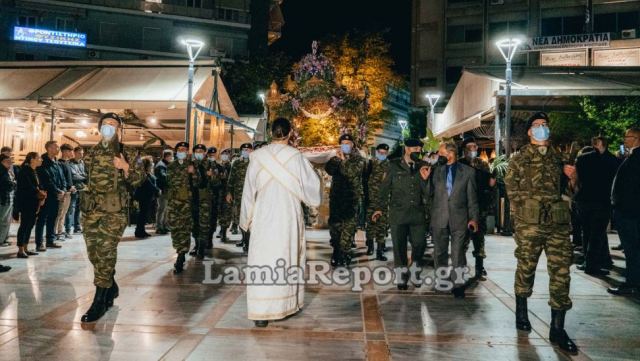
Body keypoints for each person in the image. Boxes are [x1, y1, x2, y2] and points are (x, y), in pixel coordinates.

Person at [505, 112, 578, 354]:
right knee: (526, 268)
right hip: (530, 224)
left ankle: (557, 328)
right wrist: (520, 220)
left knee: (561, 274)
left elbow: (574, 192)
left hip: (557, 224)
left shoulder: (560, 159)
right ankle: (522, 312)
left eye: (544, 125)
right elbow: (511, 192)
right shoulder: (518, 159)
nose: (541, 128)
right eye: (536, 125)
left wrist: (573, 178)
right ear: (528, 132)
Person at [240, 118, 322, 328]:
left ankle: (260, 312)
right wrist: (313, 203)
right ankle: (284, 305)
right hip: (287, 215)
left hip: (263, 216)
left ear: (269, 132)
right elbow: (313, 188)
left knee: (261, 259)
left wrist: (245, 220)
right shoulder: (296, 156)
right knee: (286, 258)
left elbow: (248, 192)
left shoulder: (257, 157)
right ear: (290, 132)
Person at [80, 113, 146, 323]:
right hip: (92, 210)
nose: (109, 128)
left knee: (106, 251)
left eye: (114, 125)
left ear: (119, 130)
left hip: (114, 211)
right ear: (99, 128)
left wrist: (125, 167)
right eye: (106, 124)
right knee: (94, 254)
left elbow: (139, 180)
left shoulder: (128, 151)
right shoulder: (90, 153)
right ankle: (111, 285)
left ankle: (99, 300)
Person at [373, 139, 431, 290]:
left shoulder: (423, 166)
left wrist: (425, 180)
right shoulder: (393, 165)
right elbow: (384, 189)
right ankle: (402, 277)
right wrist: (379, 208)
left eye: (419, 148)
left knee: (419, 244)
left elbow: (429, 192)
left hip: (418, 214)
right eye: (414, 148)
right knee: (399, 247)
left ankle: (415, 271)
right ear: (406, 149)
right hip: (398, 214)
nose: (417, 150)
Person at [429, 142, 479, 298]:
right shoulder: (435, 171)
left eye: (441, 153)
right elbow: (428, 194)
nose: (439, 156)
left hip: (460, 218)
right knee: (440, 252)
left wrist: (474, 219)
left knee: (458, 253)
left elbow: (473, 199)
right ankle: (442, 280)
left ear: (450, 153)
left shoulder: (468, 172)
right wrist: (424, 179)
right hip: (439, 217)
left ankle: (458, 284)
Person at [574, 137, 619, 275]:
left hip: (584, 199)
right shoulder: (614, 161)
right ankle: (592, 265)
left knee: (587, 232)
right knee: (597, 234)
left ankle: (589, 261)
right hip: (602, 201)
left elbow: (579, 178)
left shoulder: (582, 159)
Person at [325, 134, 367, 267]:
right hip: (337, 199)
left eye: (348, 143)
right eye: (343, 143)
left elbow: (350, 172)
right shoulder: (336, 158)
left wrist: (342, 161)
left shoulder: (359, 159)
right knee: (335, 228)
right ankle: (337, 251)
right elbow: (329, 169)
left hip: (351, 199)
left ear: (353, 144)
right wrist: (337, 159)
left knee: (348, 228)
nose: (345, 145)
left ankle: (345, 252)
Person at [607, 127, 640, 296]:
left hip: (629, 212)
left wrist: (619, 205)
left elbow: (630, 186)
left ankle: (633, 283)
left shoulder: (636, 158)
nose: (624, 139)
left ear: (635, 138)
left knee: (632, 249)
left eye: (627, 136)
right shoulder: (632, 157)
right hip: (630, 211)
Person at [459, 136, 495, 278]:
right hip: (463, 208)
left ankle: (480, 268)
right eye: (470, 147)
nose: (473, 149)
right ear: (464, 149)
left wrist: (492, 184)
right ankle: (460, 268)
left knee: (479, 240)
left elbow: (489, 185)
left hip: (480, 208)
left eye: (475, 147)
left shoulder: (482, 164)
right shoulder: (459, 165)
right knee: (462, 241)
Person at [167, 142, 195, 273]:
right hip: (173, 202)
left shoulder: (192, 165)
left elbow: (199, 182)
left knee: (185, 227)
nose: (181, 151)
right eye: (179, 149)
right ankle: (178, 248)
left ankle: (181, 254)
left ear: (187, 151)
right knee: (175, 228)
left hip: (186, 203)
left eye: (184, 149)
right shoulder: (171, 166)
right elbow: (167, 183)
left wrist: (193, 173)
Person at [35, 141, 65, 251]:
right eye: (56, 147)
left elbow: (61, 177)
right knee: (42, 219)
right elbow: (46, 180)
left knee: (52, 218)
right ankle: (39, 243)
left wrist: (63, 190)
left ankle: (50, 240)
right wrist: (57, 191)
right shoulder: (42, 161)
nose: (58, 149)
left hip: (57, 195)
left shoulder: (56, 161)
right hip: (47, 195)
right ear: (49, 148)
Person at [15, 152, 45, 258]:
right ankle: (20, 250)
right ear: (32, 159)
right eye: (39, 158)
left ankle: (26, 247)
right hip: (26, 202)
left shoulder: (34, 171)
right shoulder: (24, 171)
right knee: (24, 225)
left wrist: (42, 194)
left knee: (30, 225)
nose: (41, 160)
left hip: (34, 202)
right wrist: (40, 194)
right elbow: (28, 188)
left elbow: (38, 185)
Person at [365, 143, 390, 261]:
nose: (382, 155)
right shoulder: (370, 163)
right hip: (371, 199)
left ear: (387, 153)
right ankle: (370, 246)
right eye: (380, 153)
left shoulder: (389, 165)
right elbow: (364, 180)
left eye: (385, 153)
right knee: (370, 224)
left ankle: (380, 251)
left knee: (382, 225)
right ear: (377, 152)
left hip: (383, 200)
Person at [227, 143, 253, 252]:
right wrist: (229, 193)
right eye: (244, 149)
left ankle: (249, 242)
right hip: (238, 196)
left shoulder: (255, 162)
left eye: (248, 149)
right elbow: (231, 179)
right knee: (239, 218)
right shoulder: (236, 163)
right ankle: (245, 240)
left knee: (250, 219)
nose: (246, 151)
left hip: (252, 196)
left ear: (252, 150)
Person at [190, 144, 215, 259]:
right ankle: (196, 244)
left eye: (201, 151)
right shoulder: (189, 164)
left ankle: (201, 247)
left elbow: (217, 183)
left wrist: (212, 175)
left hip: (205, 199)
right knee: (194, 223)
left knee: (204, 224)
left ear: (205, 152)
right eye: (197, 151)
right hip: (192, 198)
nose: (199, 152)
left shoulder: (210, 164)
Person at [134, 158, 160, 239]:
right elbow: (149, 184)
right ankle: (139, 231)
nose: (152, 165)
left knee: (144, 214)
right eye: (151, 163)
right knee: (142, 214)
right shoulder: (143, 174)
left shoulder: (146, 173)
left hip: (147, 196)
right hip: (143, 196)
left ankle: (141, 230)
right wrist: (157, 190)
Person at [55, 143, 76, 240]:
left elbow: (68, 178)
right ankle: (57, 233)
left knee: (64, 213)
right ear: (64, 151)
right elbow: (61, 179)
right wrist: (68, 187)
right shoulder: (59, 163)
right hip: (63, 192)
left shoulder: (67, 163)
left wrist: (72, 186)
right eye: (70, 151)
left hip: (68, 191)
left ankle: (60, 231)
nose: (72, 153)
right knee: (59, 213)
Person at [205, 146, 225, 249]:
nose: (212, 156)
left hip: (214, 197)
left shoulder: (219, 167)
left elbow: (222, 182)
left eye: (213, 154)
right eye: (210, 154)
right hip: (203, 198)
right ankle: (200, 242)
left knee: (212, 218)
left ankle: (209, 239)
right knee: (202, 220)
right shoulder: (202, 165)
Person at [0, 147, 18, 247]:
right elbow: (7, 184)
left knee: (6, 221)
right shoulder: (2, 170)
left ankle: (4, 239)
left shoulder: (8, 169)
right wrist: (14, 183)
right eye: (9, 159)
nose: (11, 161)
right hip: (4, 198)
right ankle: (1, 240)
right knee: (3, 221)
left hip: (9, 198)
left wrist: (13, 183)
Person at [68, 146, 87, 234]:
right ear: (75, 153)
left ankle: (77, 227)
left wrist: (83, 176)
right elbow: (74, 176)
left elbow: (83, 173)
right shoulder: (70, 163)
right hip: (74, 189)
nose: (81, 155)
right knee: (71, 208)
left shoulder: (82, 163)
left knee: (79, 209)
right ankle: (68, 228)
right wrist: (85, 177)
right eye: (80, 153)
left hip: (82, 189)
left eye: (82, 153)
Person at [154, 149, 173, 235]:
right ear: (166, 156)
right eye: (170, 156)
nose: (171, 158)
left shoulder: (166, 164)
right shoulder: (161, 166)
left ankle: (165, 225)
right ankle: (159, 227)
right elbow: (163, 177)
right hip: (163, 190)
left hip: (166, 190)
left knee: (166, 209)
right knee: (161, 209)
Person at [216, 149, 233, 243]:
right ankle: (220, 229)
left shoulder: (231, 166)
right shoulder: (217, 165)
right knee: (219, 213)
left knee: (226, 213)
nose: (225, 156)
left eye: (227, 154)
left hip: (227, 193)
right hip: (218, 192)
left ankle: (224, 232)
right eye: (223, 154)